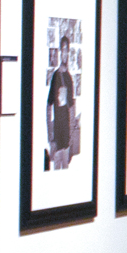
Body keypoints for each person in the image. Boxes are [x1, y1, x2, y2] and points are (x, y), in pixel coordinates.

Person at [47, 33, 76, 170]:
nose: (65, 54)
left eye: (67, 50)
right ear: (59, 51)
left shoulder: (69, 78)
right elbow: (48, 106)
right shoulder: (55, 76)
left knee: (65, 170)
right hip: (57, 137)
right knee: (56, 170)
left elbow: (72, 108)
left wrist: (71, 137)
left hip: (66, 137)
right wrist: (50, 136)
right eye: (63, 50)